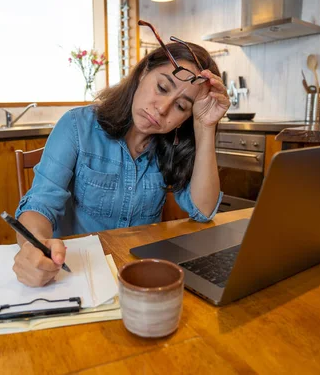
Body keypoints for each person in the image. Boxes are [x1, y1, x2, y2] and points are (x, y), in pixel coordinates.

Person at [12, 20, 230, 287]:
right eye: (162, 88)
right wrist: (35, 246)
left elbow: (203, 211)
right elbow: (39, 204)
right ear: (143, 73)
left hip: (140, 275)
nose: (162, 109)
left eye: (181, 106)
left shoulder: (170, 147)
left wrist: (205, 127)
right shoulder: (77, 126)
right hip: (77, 274)